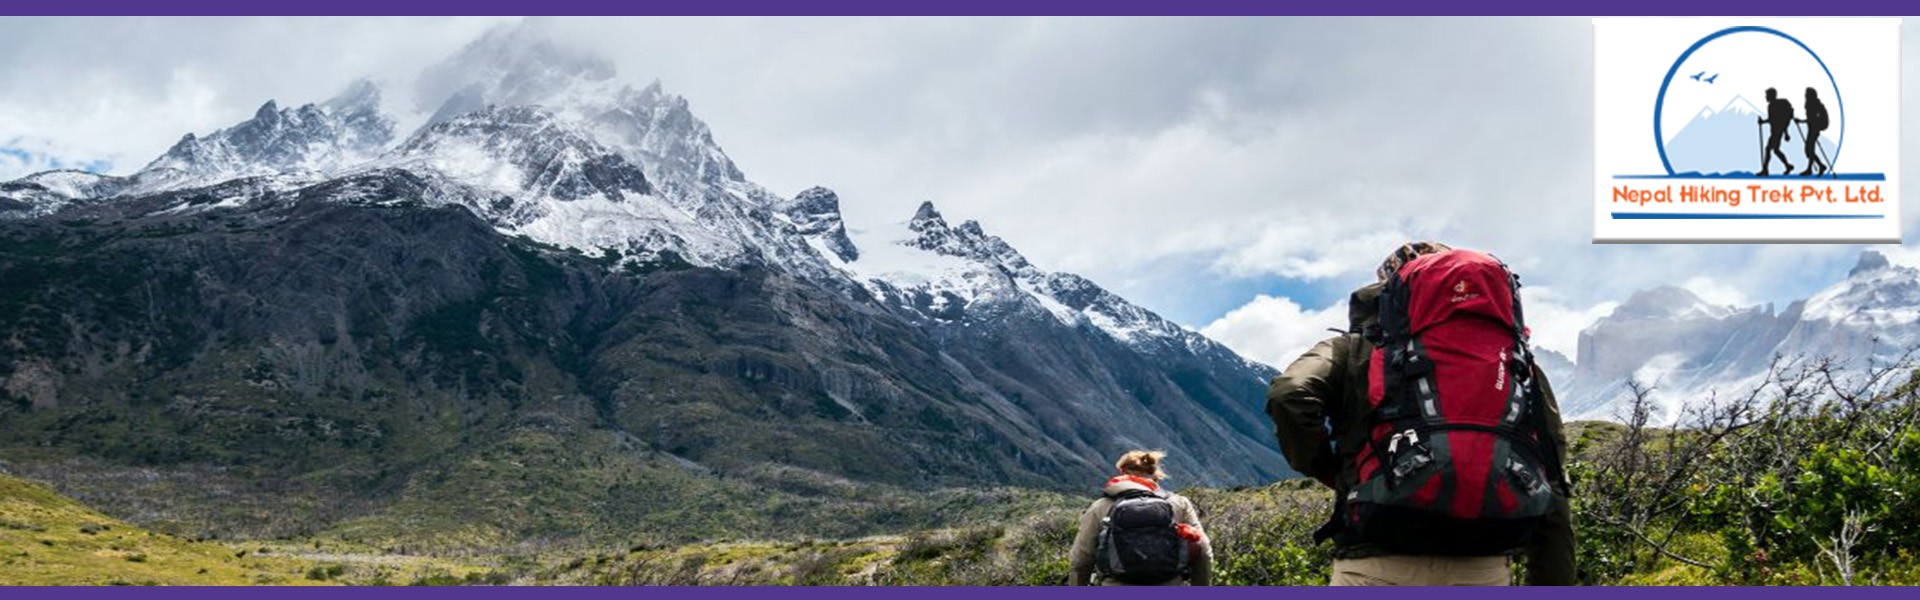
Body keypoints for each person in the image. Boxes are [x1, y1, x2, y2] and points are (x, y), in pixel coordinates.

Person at [1267, 241, 1576, 586]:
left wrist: (1330, 470)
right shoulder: (1516, 363)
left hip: (1375, 564)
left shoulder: (1356, 348)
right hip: (1482, 568)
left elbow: (1289, 394)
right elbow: (1552, 473)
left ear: (1390, 291)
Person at [1067, 450, 1213, 586]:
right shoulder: (1179, 504)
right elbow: (1204, 551)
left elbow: (1081, 560)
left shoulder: (1100, 507)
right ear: (1155, 475)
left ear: (1122, 472)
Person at [1757, 87, 1795, 176]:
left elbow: (1778, 120)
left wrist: (1786, 133)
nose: (1766, 97)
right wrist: (1763, 122)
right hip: (1776, 131)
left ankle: (1765, 170)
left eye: (1767, 95)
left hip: (1776, 132)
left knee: (1768, 149)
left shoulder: (1773, 106)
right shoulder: (1772, 106)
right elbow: (1772, 120)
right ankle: (1787, 166)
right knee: (1776, 150)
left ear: (1771, 95)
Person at [1798, 87, 1829, 177]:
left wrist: (1801, 121)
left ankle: (1819, 166)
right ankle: (1812, 168)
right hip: (1812, 128)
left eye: (1806, 94)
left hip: (1814, 129)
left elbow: (1812, 119)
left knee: (1809, 150)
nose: (1805, 95)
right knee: (1810, 149)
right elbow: (1811, 119)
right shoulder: (1812, 104)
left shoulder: (1813, 104)